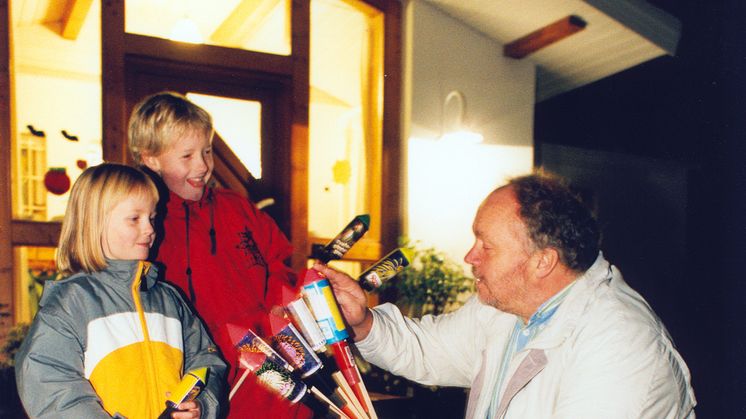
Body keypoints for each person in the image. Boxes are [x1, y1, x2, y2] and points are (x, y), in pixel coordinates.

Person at [314, 173, 697, 418]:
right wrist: (363, 322)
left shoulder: (621, 344)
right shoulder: (512, 307)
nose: (469, 257)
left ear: (542, 262)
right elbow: (430, 349)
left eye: (486, 245)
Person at [128, 91, 311, 418]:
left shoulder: (237, 208)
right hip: (201, 375)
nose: (203, 166)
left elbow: (279, 262)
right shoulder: (145, 223)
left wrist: (280, 307)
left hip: (263, 355)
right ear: (150, 158)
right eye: (187, 156)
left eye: (208, 152)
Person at [15, 163, 226, 419]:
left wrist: (200, 405)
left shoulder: (169, 300)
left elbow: (206, 361)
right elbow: (51, 385)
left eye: (152, 217)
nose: (149, 229)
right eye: (134, 219)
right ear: (95, 223)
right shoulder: (71, 303)